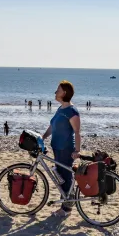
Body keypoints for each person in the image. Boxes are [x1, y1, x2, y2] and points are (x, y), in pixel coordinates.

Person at [42, 80, 81, 218]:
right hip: (57, 148)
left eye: (57, 90)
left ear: (64, 93)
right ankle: (64, 206)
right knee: (61, 178)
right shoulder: (61, 109)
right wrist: (43, 136)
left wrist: (77, 150)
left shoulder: (72, 111)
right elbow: (53, 126)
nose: (55, 92)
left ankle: (66, 209)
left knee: (65, 177)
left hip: (66, 149)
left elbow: (77, 131)